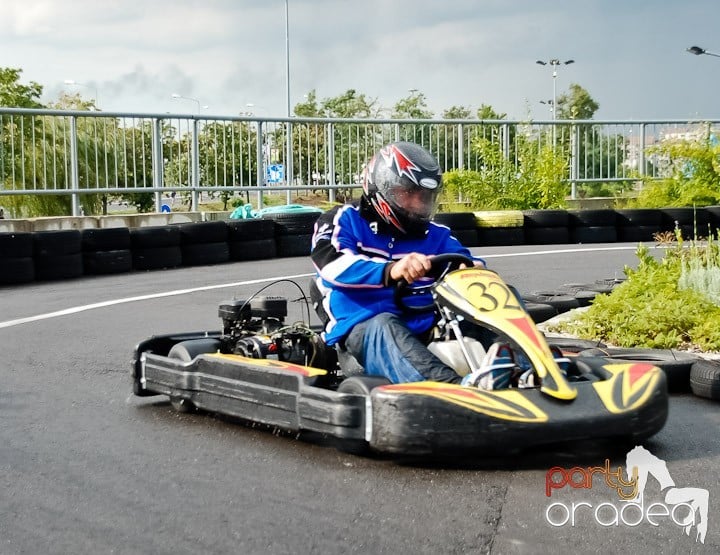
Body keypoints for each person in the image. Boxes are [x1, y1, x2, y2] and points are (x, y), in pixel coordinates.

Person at [310, 141, 485, 385]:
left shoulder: (436, 234)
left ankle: (527, 371)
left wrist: (474, 272)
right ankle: (453, 391)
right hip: (366, 329)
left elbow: (468, 262)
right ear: (383, 187)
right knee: (385, 324)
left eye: (424, 197)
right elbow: (332, 266)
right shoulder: (343, 220)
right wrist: (391, 270)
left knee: (496, 296)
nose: (417, 205)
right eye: (408, 194)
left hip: (427, 325)